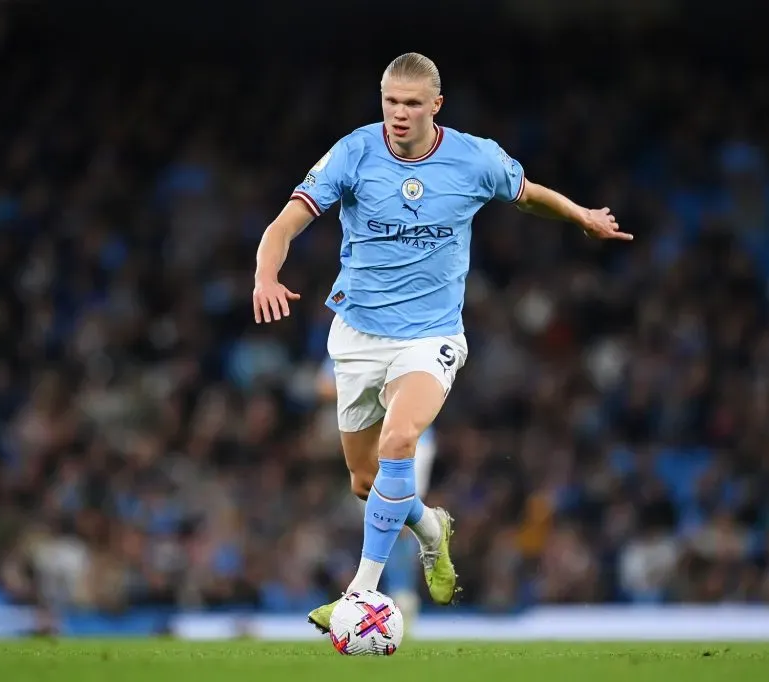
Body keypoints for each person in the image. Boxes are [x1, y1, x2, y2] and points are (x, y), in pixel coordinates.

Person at [253, 52, 632, 632]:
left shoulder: (474, 157)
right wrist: (265, 276)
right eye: (390, 102)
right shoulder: (353, 152)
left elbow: (528, 193)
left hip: (430, 338)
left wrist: (581, 216)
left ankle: (359, 594)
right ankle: (431, 528)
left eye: (410, 104)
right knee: (363, 482)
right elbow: (284, 224)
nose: (398, 115)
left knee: (400, 440)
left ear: (436, 105)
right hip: (357, 334)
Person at [316, 355, 437, 623]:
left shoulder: (410, 336)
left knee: (399, 522)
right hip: (370, 443)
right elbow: (323, 385)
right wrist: (363, 386)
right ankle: (387, 592)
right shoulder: (355, 341)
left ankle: (399, 593)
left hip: (413, 442)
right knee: (380, 517)